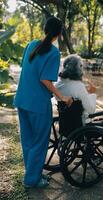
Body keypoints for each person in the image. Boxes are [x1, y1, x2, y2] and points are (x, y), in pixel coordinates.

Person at [13, 17, 72, 188]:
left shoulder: (31, 45)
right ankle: (32, 179)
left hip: (22, 100)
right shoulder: (54, 53)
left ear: (45, 28)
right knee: (39, 143)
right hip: (38, 105)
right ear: (59, 34)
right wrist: (63, 97)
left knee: (28, 141)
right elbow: (45, 80)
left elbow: (30, 70)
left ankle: (32, 174)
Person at [55, 54, 96, 124]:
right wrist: (92, 93)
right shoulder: (79, 86)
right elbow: (91, 110)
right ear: (78, 69)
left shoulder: (58, 85)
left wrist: (87, 92)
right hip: (82, 127)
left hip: (65, 127)